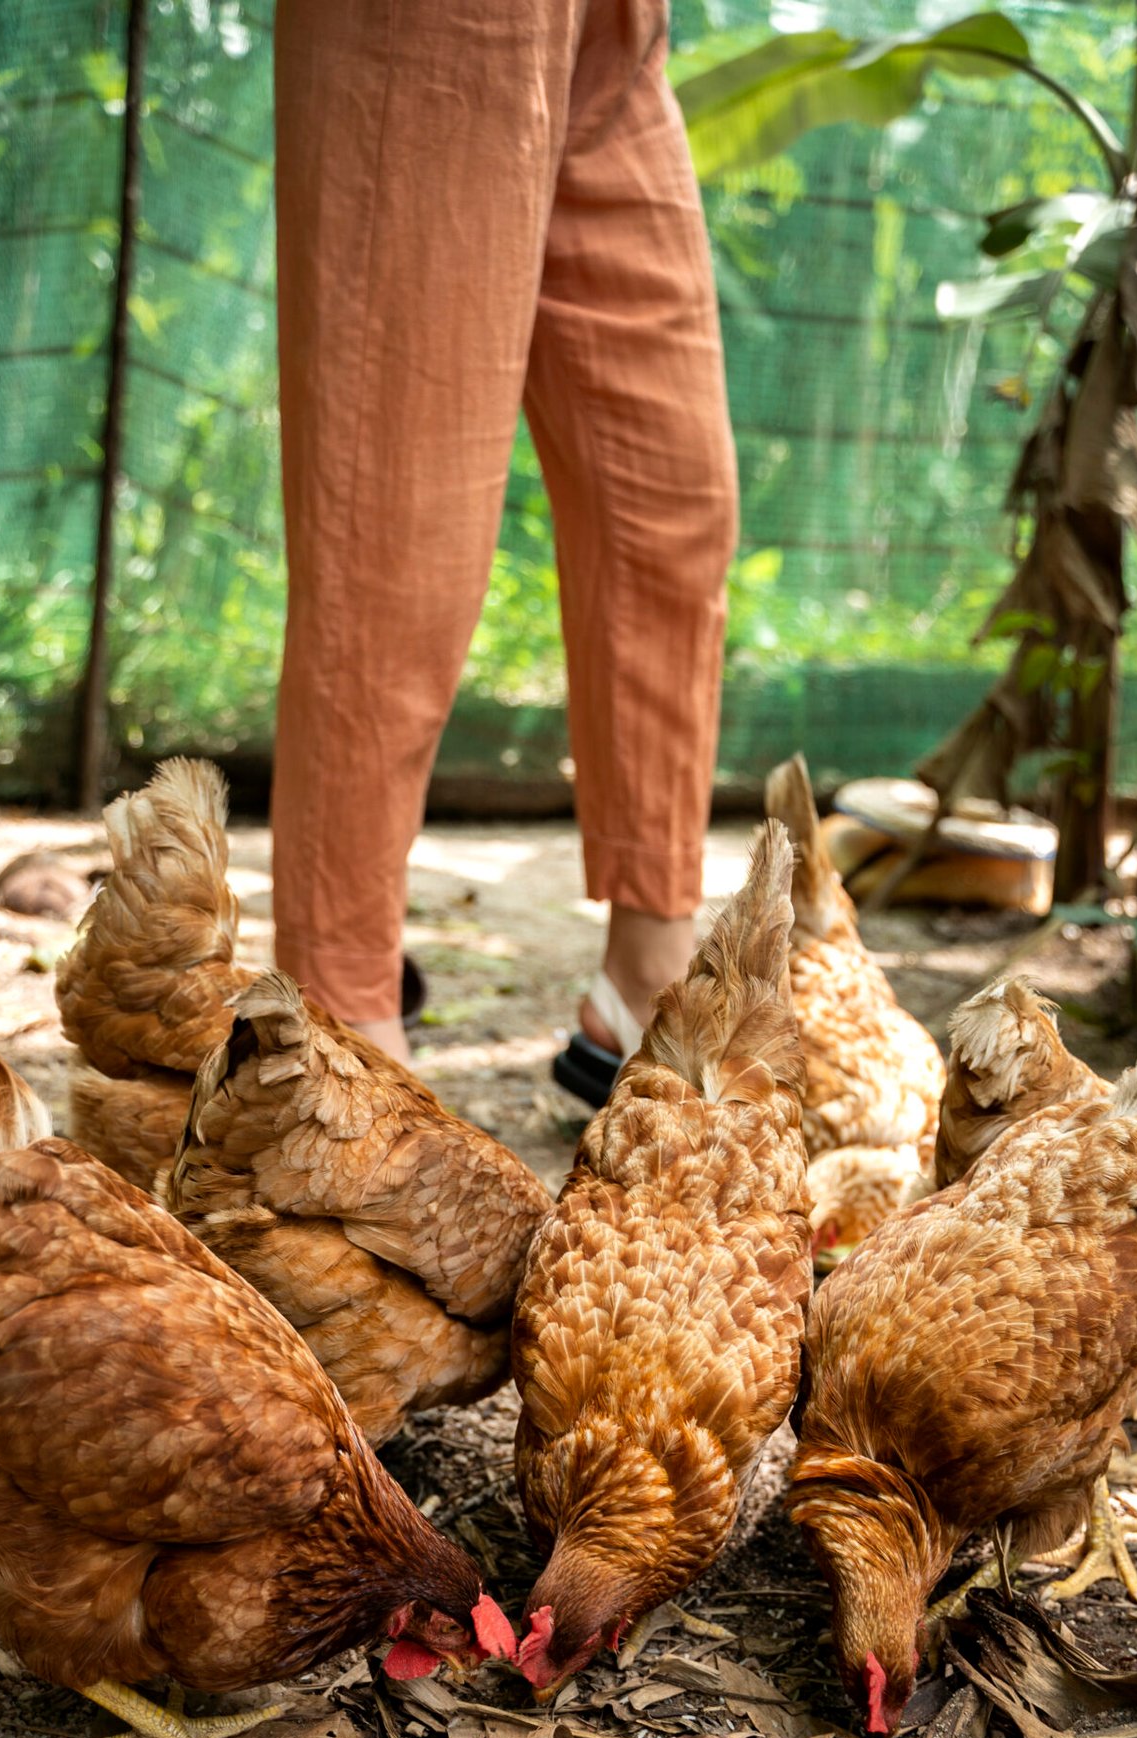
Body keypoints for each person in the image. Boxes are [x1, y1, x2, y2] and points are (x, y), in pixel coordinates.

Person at [270, 0, 738, 1091]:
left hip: (613, 28)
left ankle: (646, 979)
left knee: (669, 495)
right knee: (395, 531)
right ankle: (337, 1028)